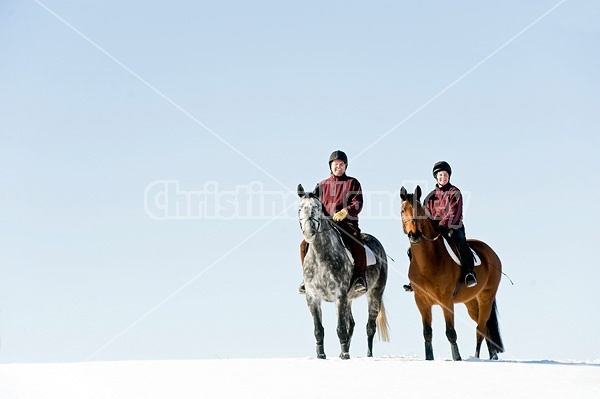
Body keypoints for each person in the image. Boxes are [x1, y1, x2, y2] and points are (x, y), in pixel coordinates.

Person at [298, 150, 368, 294]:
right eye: (336, 164)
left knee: (357, 244)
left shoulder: (352, 183)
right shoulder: (322, 185)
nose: (338, 167)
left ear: (345, 166)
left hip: (347, 224)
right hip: (325, 225)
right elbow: (315, 204)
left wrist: (345, 211)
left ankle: (360, 278)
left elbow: (358, 202)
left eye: (341, 164)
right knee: (304, 245)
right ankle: (307, 278)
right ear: (331, 166)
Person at [404, 161, 477, 292]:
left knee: (460, 241)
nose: (443, 177)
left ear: (449, 176)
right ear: (436, 177)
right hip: (435, 231)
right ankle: (414, 280)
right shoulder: (430, 197)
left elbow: (454, 211)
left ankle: (469, 272)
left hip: (452, 227)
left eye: (445, 175)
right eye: (440, 175)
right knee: (412, 249)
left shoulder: (454, 192)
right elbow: (425, 216)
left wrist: (443, 225)